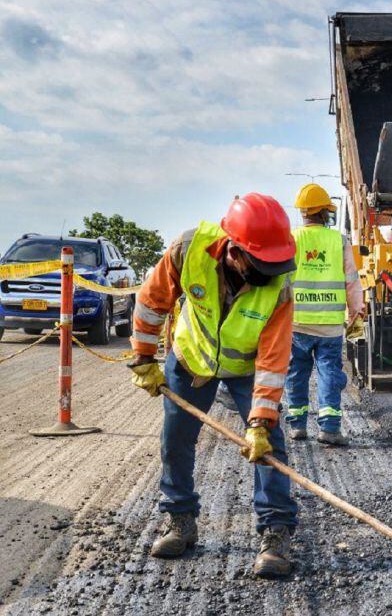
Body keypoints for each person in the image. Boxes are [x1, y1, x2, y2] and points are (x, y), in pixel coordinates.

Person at [127, 193, 299, 578]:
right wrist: (142, 357)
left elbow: (273, 359)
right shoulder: (188, 250)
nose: (268, 273)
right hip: (192, 359)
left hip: (248, 365)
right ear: (233, 250)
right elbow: (151, 302)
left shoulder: (279, 284)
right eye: (261, 264)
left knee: (269, 445)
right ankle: (180, 521)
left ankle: (275, 532)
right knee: (176, 438)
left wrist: (259, 420)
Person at [283, 184, 363, 446]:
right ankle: (329, 428)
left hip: (298, 323)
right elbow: (351, 279)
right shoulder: (338, 240)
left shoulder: (291, 239)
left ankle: (297, 425)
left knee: (296, 373)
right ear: (325, 212)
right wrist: (356, 309)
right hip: (329, 325)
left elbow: (282, 281)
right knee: (329, 372)